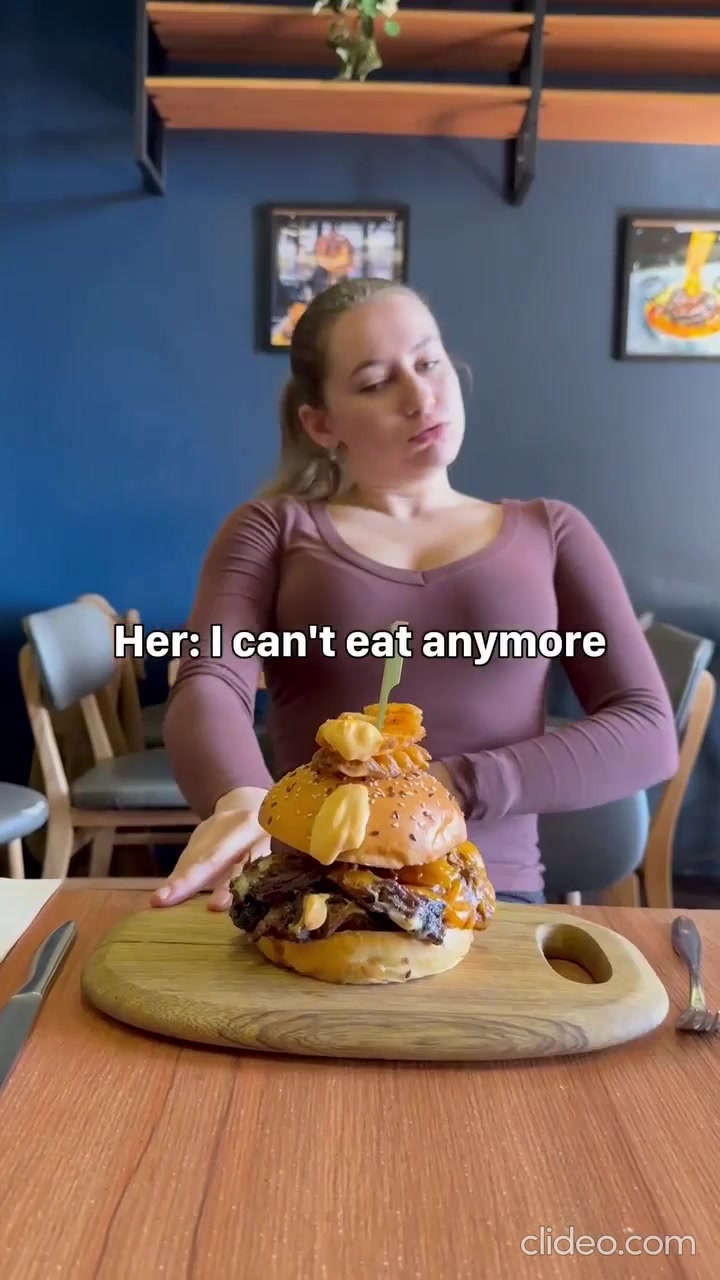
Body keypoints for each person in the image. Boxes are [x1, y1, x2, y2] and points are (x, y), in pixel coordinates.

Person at [152, 278, 679, 912]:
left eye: (429, 363)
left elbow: (647, 728)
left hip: (492, 895)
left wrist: (441, 784)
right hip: (311, 890)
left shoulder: (553, 531)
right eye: (377, 383)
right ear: (321, 423)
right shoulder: (272, 530)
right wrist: (241, 797)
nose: (420, 396)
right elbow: (210, 676)